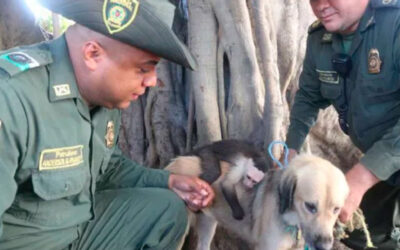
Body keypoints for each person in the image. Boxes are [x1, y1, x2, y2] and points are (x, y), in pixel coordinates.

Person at [0, 0, 215, 249]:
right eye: (142, 69)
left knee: (166, 209)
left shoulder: (103, 98)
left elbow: (107, 168)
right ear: (93, 55)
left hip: (79, 229)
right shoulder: (12, 99)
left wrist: (168, 181)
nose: (153, 81)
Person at [285, 0, 400, 249]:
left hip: (383, 160)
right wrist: (290, 151)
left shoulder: (395, 25)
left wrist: (361, 177)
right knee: (357, 233)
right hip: (386, 166)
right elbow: (307, 97)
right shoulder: (320, 39)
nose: (321, 5)